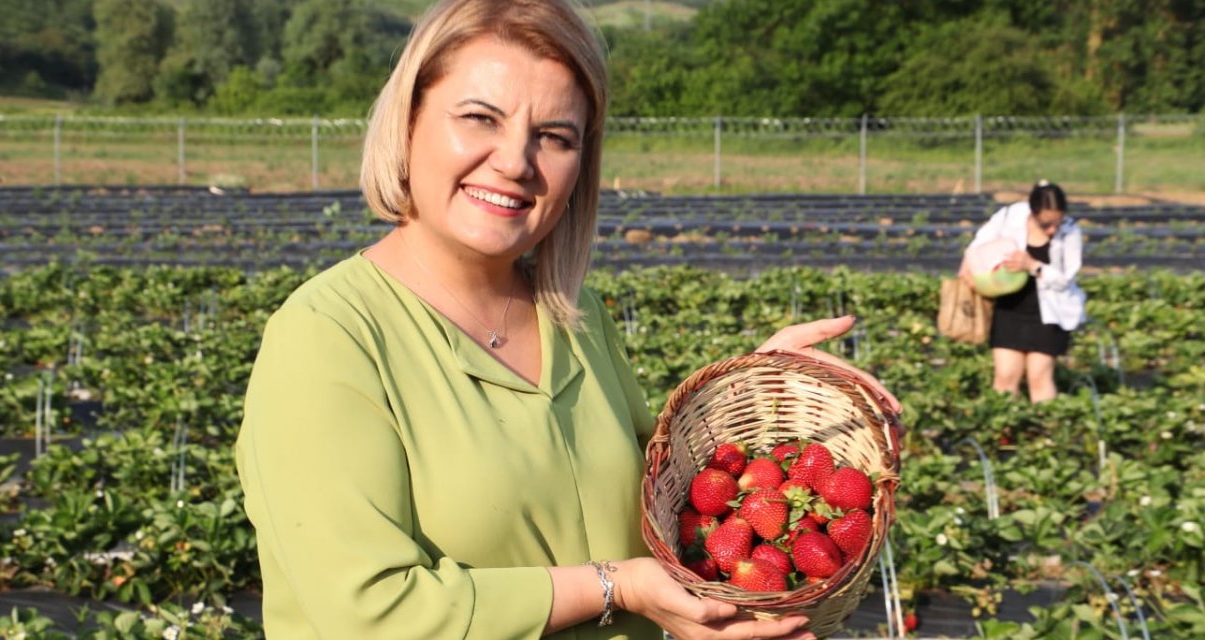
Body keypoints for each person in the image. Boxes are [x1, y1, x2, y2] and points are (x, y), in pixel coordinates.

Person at [234, 1, 900, 638]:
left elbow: (667, 502)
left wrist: (747, 395)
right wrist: (614, 588)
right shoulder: (330, 336)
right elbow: (369, 613)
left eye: (554, 137)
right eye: (480, 118)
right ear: (407, 122)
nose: (515, 162)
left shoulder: (573, 319)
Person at [959, 180, 1086, 403]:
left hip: (1049, 313)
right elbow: (977, 245)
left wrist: (1032, 265)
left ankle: (1045, 434)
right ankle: (1005, 433)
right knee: (1005, 378)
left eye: (1058, 222)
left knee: (1039, 378)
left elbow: (1065, 279)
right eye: (1046, 223)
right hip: (1010, 308)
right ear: (1033, 211)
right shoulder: (1010, 217)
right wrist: (969, 270)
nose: (1053, 229)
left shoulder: (1070, 231)